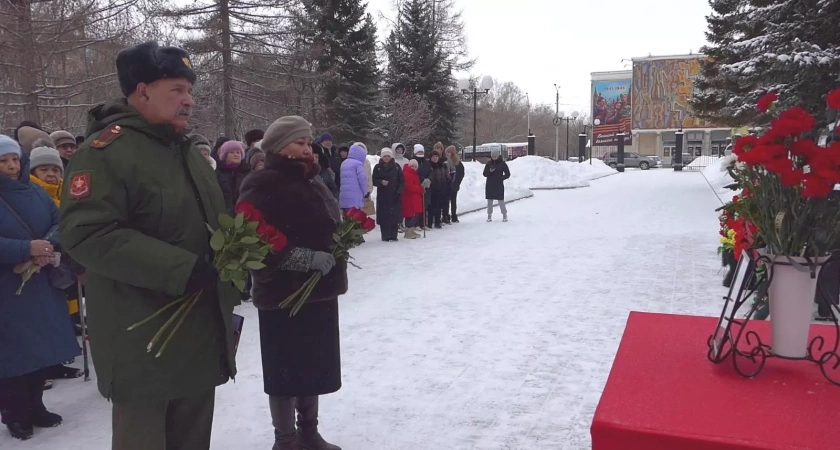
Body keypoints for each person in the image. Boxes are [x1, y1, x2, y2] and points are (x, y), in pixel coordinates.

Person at [59, 41, 239, 450]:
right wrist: (182, 269)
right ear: (142, 91)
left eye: (190, 91)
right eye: (177, 90)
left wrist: (233, 264)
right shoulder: (105, 153)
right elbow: (87, 234)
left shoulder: (188, 152)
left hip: (198, 329)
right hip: (144, 338)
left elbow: (208, 222)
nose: (189, 100)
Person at [238, 116, 345, 450]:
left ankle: (309, 433)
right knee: (285, 372)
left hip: (318, 292)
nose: (307, 148)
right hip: (284, 294)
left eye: (308, 142)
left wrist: (341, 240)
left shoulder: (313, 180)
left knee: (312, 367)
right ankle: (285, 440)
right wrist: (302, 258)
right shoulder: (262, 182)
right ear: (277, 146)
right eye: (299, 142)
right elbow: (251, 237)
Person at [0, 136, 79, 440]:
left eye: (14, 160)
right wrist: (25, 248)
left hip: (42, 282)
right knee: (14, 357)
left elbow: (61, 219)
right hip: (9, 290)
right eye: (3, 161)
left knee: (42, 350)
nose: (10, 166)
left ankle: (36, 405)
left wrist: (49, 244)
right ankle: (14, 413)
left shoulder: (34, 190)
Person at [373, 148, 405, 242]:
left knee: (394, 215)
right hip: (383, 195)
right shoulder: (377, 167)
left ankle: (394, 235)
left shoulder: (397, 167)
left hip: (395, 195)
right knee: (384, 216)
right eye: (385, 156)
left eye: (388, 156)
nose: (387, 158)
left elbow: (402, 181)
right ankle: (385, 235)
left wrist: (399, 191)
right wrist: (381, 182)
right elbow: (374, 180)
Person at [216, 140, 251, 215]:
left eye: (238, 152)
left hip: (244, 215)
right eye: (232, 152)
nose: (236, 155)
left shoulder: (248, 172)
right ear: (225, 155)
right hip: (223, 214)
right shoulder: (218, 172)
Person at [484, 148, 511, 222]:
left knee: (501, 200)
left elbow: (508, 174)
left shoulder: (502, 164)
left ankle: (504, 215)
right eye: (492, 156)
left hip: (498, 185)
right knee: (489, 201)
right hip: (490, 184)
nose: (494, 158)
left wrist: (501, 178)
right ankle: (489, 215)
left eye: (495, 156)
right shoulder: (489, 163)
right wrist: (489, 171)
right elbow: (484, 174)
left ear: (498, 156)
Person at [339, 143, 368, 211]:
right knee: (355, 218)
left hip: (344, 196)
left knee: (346, 218)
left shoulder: (344, 163)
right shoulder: (358, 164)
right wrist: (365, 192)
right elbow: (362, 179)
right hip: (355, 196)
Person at [427, 150, 450, 229]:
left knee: (439, 206)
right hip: (431, 188)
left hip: (442, 187)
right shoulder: (428, 165)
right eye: (433, 157)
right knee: (431, 207)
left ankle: (437, 221)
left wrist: (449, 182)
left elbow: (447, 175)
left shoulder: (442, 165)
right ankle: (429, 222)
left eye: (436, 156)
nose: (435, 158)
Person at [401, 159, 423, 240]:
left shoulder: (414, 174)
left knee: (413, 215)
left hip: (414, 198)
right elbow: (409, 186)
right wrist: (420, 189)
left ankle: (411, 230)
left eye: (415, 166)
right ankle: (408, 231)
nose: (413, 168)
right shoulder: (407, 173)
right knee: (409, 216)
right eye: (412, 166)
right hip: (409, 198)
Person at [413, 144, 432, 231]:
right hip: (417, 185)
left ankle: (423, 223)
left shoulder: (426, 162)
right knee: (417, 205)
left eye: (421, 152)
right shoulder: (413, 161)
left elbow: (431, 172)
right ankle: (416, 223)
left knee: (424, 205)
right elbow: (414, 173)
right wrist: (421, 180)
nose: (420, 153)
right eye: (418, 152)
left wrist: (428, 180)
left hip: (426, 186)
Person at [444, 145, 464, 223]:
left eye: (449, 152)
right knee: (446, 201)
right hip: (447, 184)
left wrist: (457, 182)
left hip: (454, 184)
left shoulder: (457, 162)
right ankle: (446, 215)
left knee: (453, 200)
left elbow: (461, 173)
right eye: (447, 152)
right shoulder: (445, 160)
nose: (447, 154)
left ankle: (454, 215)